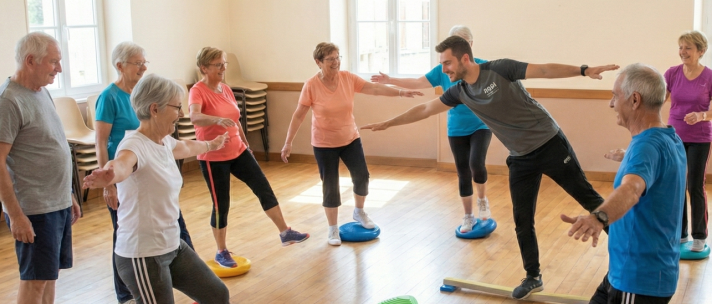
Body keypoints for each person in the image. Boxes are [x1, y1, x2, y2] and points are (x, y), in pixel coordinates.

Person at [361, 35, 618, 299]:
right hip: (520, 157)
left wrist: (584, 70)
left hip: (550, 143)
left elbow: (543, 70)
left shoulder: (500, 69)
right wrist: (389, 123)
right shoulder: (460, 91)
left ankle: (629, 260)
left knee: (590, 200)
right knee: (522, 219)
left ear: (465, 58)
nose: (444, 69)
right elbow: (426, 108)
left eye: (447, 63)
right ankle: (533, 277)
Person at [83, 74, 272, 304]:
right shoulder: (134, 145)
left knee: (216, 294)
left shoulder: (163, 142)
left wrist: (211, 144)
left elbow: (184, 146)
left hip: (172, 245)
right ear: (154, 109)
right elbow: (123, 165)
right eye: (176, 107)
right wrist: (109, 175)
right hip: (142, 255)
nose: (182, 114)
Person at [549, 64, 686, 304]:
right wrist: (627, 156)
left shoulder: (646, 147)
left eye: (615, 96)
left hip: (639, 282)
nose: (611, 103)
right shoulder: (667, 138)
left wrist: (598, 218)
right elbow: (649, 176)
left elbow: (632, 189)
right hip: (625, 273)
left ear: (634, 100)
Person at [0, 32, 88, 304]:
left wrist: (68, 194)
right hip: (32, 207)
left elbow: (52, 146)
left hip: (55, 201)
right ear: (31, 61)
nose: (59, 68)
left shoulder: (41, 92)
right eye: (53, 61)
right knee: (34, 281)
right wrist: (16, 214)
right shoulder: (6, 101)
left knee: (49, 276)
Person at [281, 42, 423, 246]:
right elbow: (298, 115)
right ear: (318, 62)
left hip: (350, 138)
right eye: (330, 59)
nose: (335, 62)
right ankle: (332, 228)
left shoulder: (347, 78)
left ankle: (359, 211)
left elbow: (375, 89)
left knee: (362, 176)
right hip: (324, 143)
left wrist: (401, 92)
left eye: (337, 57)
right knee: (330, 185)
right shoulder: (311, 85)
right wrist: (288, 143)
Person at [95, 41, 196, 304]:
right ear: (120, 66)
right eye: (137, 63)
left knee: (177, 226)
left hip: (153, 174)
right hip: (123, 174)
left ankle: (196, 284)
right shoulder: (109, 97)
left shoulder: (144, 93)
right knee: (123, 237)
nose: (143, 67)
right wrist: (109, 183)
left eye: (144, 62)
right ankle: (125, 297)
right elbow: (101, 141)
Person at [190, 47, 309, 267]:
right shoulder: (198, 91)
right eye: (218, 64)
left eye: (224, 63)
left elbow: (235, 120)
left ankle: (285, 232)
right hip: (212, 156)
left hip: (238, 150)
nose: (223, 68)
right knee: (221, 204)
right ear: (204, 68)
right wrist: (216, 120)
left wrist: (246, 144)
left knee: (263, 188)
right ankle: (221, 251)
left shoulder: (225, 89)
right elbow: (194, 117)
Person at [371, 25, 493, 232]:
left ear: (470, 45)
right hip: (456, 128)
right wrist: (390, 80)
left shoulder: (483, 66)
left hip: (481, 124)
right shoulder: (443, 69)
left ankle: (482, 200)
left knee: (476, 163)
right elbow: (418, 82)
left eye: (462, 42)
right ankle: (468, 216)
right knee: (463, 171)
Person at [665, 30, 712, 252]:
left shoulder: (710, 77)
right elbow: (658, 99)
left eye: (688, 48)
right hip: (675, 136)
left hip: (700, 138)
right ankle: (680, 234)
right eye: (681, 47)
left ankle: (699, 236)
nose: (683, 52)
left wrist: (701, 115)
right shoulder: (672, 73)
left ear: (701, 51)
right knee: (677, 184)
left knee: (695, 185)